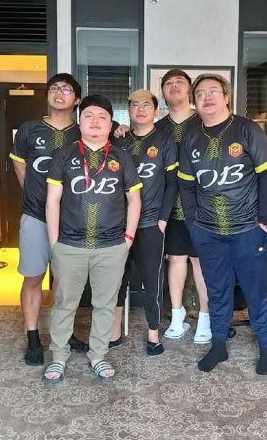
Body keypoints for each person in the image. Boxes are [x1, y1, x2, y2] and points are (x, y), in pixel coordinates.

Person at [178, 73, 267, 374]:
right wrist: (194, 223)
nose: (207, 97)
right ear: (195, 102)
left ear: (226, 97)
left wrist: (264, 222)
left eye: (213, 91)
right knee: (217, 291)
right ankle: (218, 345)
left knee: (255, 291)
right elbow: (186, 185)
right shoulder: (191, 137)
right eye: (200, 94)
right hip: (208, 232)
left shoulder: (246, 129)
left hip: (248, 229)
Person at [43, 94, 142, 383]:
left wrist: (128, 239)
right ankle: (59, 357)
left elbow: (134, 200)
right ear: (80, 121)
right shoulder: (64, 155)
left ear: (111, 124)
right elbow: (52, 200)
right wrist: (54, 242)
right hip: (69, 245)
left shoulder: (122, 157)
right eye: (89, 116)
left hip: (111, 246)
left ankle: (98, 355)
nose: (95, 122)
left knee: (105, 305)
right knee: (64, 303)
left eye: (102, 117)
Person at [10, 73, 90, 365]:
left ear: (77, 99)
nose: (59, 93)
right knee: (33, 277)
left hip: (71, 219)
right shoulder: (29, 130)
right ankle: (33, 338)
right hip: (35, 215)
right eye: (54, 88)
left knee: (65, 280)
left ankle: (62, 332)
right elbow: (20, 168)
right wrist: (37, 198)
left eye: (66, 89)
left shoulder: (83, 131)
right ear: (47, 95)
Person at [109, 89, 178, 355]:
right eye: (135, 105)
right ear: (128, 110)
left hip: (151, 223)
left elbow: (172, 184)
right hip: (119, 224)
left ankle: (153, 333)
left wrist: (163, 220)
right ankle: (114, 331)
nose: (140, 109)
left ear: (155, 110)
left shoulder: (164, 141)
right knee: (117, 278)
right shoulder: (119, 140)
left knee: (152, 280)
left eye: (146, 105)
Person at [155, 69, 211, 344]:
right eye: (168, 83)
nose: (174, 86)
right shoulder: (158, 127)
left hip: (202, 205)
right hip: (170, 205)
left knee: (201, 261)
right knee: (176, 259)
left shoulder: (204, 121)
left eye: (179, 82)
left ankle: (205, 318)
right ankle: (177, 316)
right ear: (163, 93)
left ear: (189, 90)